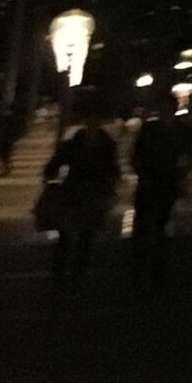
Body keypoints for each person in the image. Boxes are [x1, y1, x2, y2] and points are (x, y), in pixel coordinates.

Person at [41, 113, 120, 285]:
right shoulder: (86, 144)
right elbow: (55, 164)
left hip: (87, 194)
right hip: (78, 194)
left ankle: (73, 273)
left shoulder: (101, 145)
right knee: (71, 235)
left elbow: (113, 169)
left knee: (82, 236)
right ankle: (66, 272)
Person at [128, 95, 183, 288]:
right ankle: (142, 264)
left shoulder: (173, 131)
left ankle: (154, 265)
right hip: (152, 182)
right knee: (145, 224)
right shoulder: (155, 130)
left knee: (159, 224)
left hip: (163, 184)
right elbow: (137, 155)